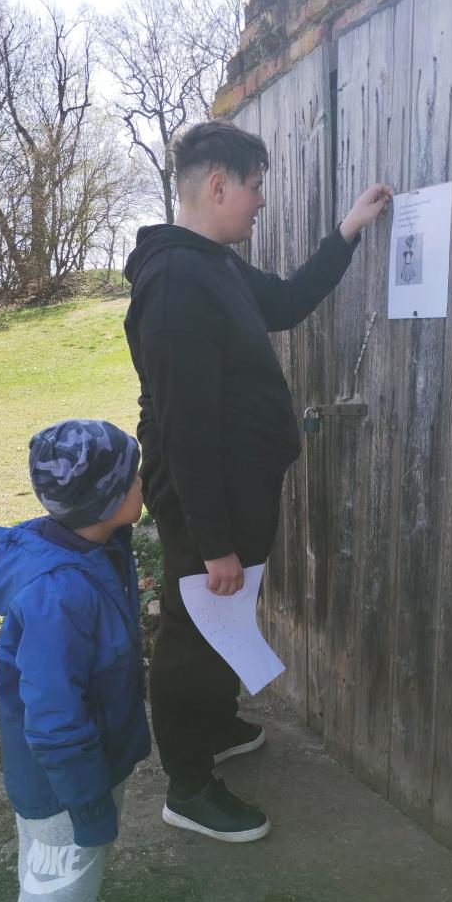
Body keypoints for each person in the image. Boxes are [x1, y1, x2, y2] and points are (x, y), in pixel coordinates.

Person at [124, 119, 392, 843]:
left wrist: (346, 232)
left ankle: (212, 726)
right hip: (202, 498)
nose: (261, 201)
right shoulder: (176, 282)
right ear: (218, 186)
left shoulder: (213, 264)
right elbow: (184, 429)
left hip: (235, 490)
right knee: (192, 627)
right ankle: (188, 785)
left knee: (224, 614)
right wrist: (212, 543)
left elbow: (284, 303)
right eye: (255, 186)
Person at [0, 419, 151, 902]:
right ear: (105, 501)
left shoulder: (95, 544)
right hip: (63, 782)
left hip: (89, 763)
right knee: (54, 890)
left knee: (64, 878)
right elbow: (53, 719)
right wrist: (87, 802)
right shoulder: (60, 592)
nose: (143, 481)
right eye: (132, 476)